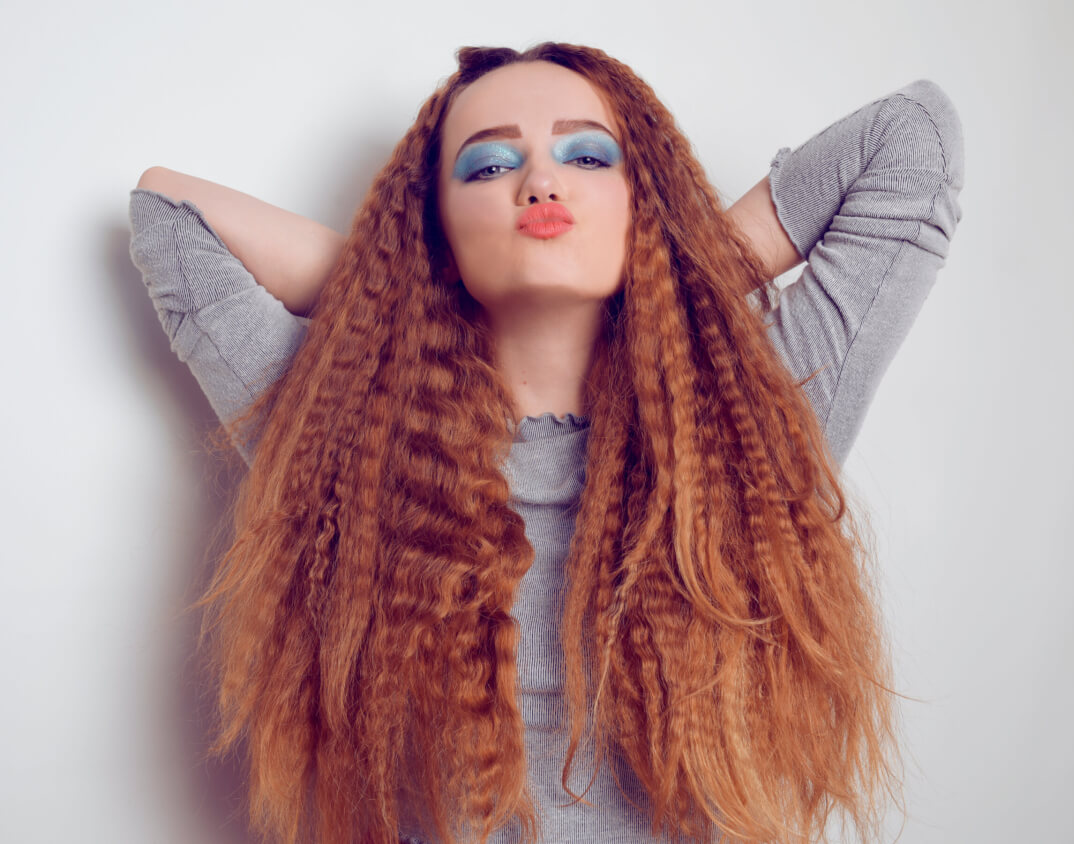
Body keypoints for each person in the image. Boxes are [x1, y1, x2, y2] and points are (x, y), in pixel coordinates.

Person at [128, 42, 965, 844]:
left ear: (647, 202)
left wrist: (678, 273)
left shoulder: (753, 416)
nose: (540, 181)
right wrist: (399, 289)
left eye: (589, 157)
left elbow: (913, 139)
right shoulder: (354, 429)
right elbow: (168, 216)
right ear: (433, 227)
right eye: (489, 166)